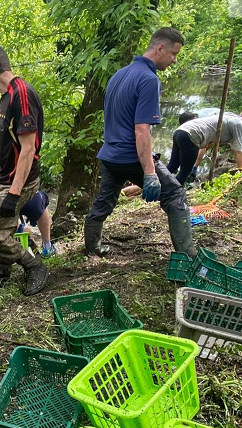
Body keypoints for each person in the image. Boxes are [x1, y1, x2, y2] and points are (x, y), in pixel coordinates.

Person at [84, 28, 197, 257]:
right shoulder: (148, 79)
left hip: (110, 155)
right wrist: (149, 173)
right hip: (130, 156)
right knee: (175, 194)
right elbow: (142, 130)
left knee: (105, 201)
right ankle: (187, 258)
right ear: (160, 48)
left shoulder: (118, 75)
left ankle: (92, 247)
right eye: (174, 54)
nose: (174, 60)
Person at [0, 45, 49, 302]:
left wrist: (14, 194)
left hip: (20, 180)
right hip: (3, 178)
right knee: (0, 230)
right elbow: (8, 146)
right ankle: (2, 273)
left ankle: (33, 265)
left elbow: (28, 149)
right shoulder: (6, 97)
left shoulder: (22, 94)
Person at [167, 102, 242, 185]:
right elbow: (238, 151)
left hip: (180, 131)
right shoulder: (239, 124)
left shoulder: (232, 118)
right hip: (192, 136)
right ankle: (172, 194)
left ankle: (156, 185)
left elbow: (235, 145)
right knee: (184, 172)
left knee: (173, 165)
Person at [0, 185, 55, 287]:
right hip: (31, 198)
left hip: (8, 202)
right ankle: (47, 247)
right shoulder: (24, 172)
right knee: (42, 206)